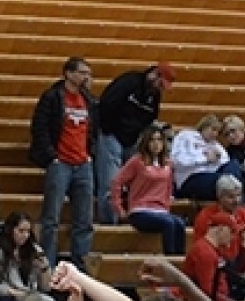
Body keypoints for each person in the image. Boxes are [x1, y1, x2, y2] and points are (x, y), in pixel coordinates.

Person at [29, 57, 96, 270]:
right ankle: (47, 265)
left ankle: (79, 266)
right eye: (82, 72)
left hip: (83, 163)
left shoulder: (90, 100)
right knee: (51, 218)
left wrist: (89, 154)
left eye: (88, 73)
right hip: (61, 163)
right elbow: (39, 128)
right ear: (68, 73)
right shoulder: (52, 97)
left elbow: (94, 130)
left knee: (84, 220)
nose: (86, 77)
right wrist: (52, 156)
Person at [96, 63, 175, 223]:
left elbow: (151, 118)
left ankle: (131, 214)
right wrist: (107, 128)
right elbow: (107, 103)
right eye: (160, 83)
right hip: (112, 134)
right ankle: (109, 221)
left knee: (134, 180)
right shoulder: (129, 82)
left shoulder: (154, 96)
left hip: (132, 139)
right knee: (110, 180)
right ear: (154, 74)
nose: (160, 88)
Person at [110, 124, 185, 256]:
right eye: (152, 140)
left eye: (159, 140)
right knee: (169, 224)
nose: (156, 144)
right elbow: (117, 181)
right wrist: (119, 207)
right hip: (140, 210)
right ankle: (170, 260)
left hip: (161, 209)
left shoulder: (167, 163)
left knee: (179, 223)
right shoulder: (137, 161)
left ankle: (179, 261)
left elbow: (168, 187)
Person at [182, 212, 245, 301]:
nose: (233, 238)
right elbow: (207, 293)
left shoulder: (209, 249)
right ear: (221, 229)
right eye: (232, 232)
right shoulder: (205, 253)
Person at [172, 114, 243, 201]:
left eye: (218, 132)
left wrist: (217, 159)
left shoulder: (216, 145)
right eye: (213, 129)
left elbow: (225, 163)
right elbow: (178, 162)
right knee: (224, 182)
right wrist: (205, 159)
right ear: (205, 125)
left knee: (233, 164)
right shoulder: (186, 136)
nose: (215, 134)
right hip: (191, 178)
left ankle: (234, 196)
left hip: (214, 178)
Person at [192, 174, 245, 262]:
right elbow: (201, 249)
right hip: (215, 262)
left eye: (239, 195)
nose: (236, 200)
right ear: (219, 197)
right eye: (231, 197)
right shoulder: (205, 217)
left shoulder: (243, 213)